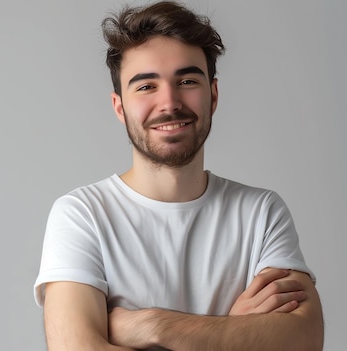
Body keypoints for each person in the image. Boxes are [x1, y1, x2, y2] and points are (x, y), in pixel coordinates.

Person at [33, 1, 324, 350]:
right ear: (119, 107)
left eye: (186, 81)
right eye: (146, 86)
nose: (169, 102)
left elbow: (304, 341)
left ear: (213, 96)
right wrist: (232, 331)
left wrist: (152, 325)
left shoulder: (261, 213)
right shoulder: (82, 216)